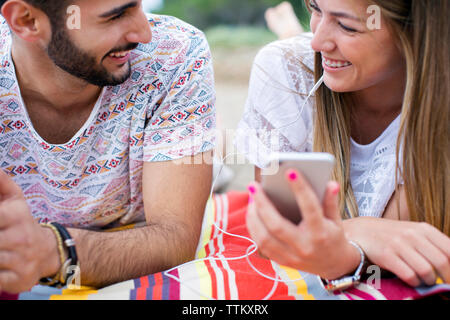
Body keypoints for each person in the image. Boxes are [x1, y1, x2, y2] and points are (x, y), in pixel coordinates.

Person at [0, 0, 216, 293]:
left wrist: (53, 252)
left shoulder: (174, 53)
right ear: (27, 21)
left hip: (123, 271)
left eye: (140, 5)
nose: (144, 32)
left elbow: (175, 240)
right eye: (115, 16)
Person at [236, 0, 450, 289]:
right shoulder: (286, 70)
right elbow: (277, 238)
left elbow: (403, 243)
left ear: (416, 32)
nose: (317, 41)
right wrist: (362, 233)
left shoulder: (437, 107)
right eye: (314, 8)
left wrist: (353, 241)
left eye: (347, 25)